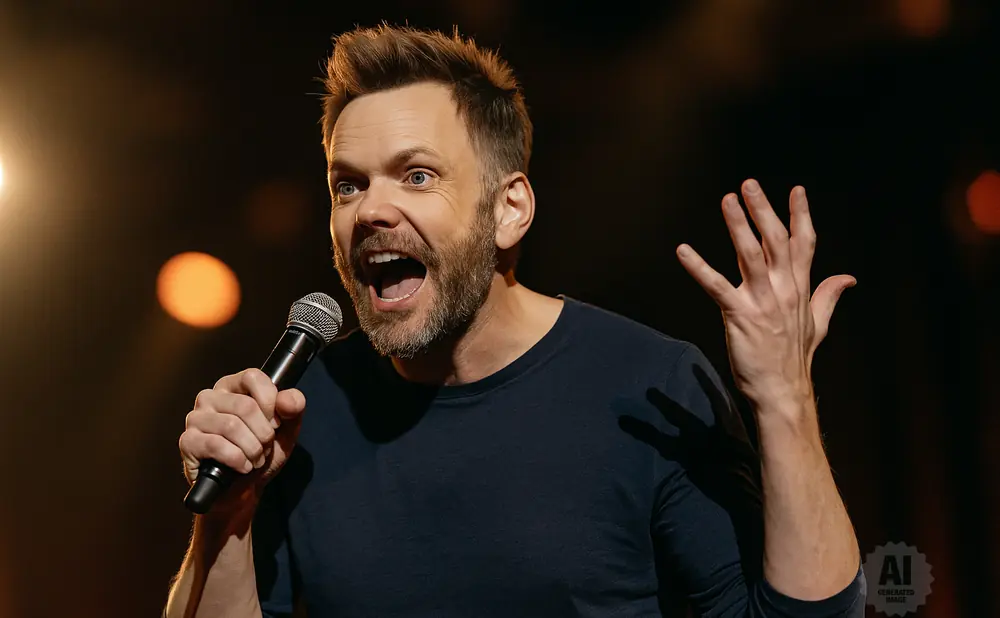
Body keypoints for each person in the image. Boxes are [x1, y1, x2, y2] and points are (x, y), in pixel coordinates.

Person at [165, 24, 866, 618]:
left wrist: (786, 400)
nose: (370, 210)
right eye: (348, 184)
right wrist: (226, 519)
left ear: (510, 210)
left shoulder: (648, 385)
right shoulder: (301, 417)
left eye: (415, 176)